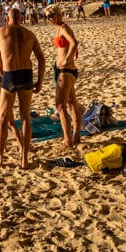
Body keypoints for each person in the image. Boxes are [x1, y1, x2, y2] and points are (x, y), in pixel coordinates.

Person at [0, 5, 45, 169]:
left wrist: (3, 76)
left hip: (10, 74)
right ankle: (24, 159)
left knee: (2, 118)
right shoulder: (29, 34)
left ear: (7, 19)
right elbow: (41, 60)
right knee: (25, 118)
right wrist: (40, 81)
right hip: (26, 75)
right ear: (22, 19)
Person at [48, 8, 82, 149]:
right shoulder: (60, 28)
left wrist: (66, 59)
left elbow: (74, 43)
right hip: (66, 70)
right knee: (72, 103)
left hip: (66, 70)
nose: (49, 18)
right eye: (47, 16)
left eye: (51, 15)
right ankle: (76, 137)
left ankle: (67, 140)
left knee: (60, 105)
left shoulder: (64, 29)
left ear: (58, 15)